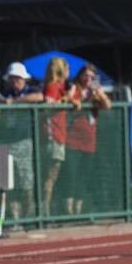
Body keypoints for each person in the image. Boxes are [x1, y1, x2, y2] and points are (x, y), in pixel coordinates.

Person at [65, 63, 112, 216]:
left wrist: (100, 95)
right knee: (71, 175)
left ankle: (78, 210)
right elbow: (70, 103)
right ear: (80, 75)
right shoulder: (74, 88)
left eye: (91, 77)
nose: (88, 79)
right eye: (86, 76)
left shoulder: (95, 91)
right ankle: (68, 209)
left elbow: (107, 106)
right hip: (73, 139)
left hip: (89, 140)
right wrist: (86, 100)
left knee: (83, 176)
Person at [1, 62, 43, 227]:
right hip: (7, 140)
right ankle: (14, 219)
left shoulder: (31, 91)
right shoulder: (6, 93)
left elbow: (40, 97)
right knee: (9, 182)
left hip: (24, 140)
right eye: (12, 79)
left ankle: (29, 217)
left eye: (17, 78)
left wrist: (16, 101)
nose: (14, 82)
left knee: (26, 181)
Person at [40, 57, 79, 217]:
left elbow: (73, 98)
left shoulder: (63, 87)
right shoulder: (51, 87)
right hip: (52, 137)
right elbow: (50, 106)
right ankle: (44, 211)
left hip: (60, 136)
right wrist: (67, 98)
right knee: (50, 176)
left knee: (54, 176)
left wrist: (73, 99)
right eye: (66, 67)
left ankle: (48, 209)